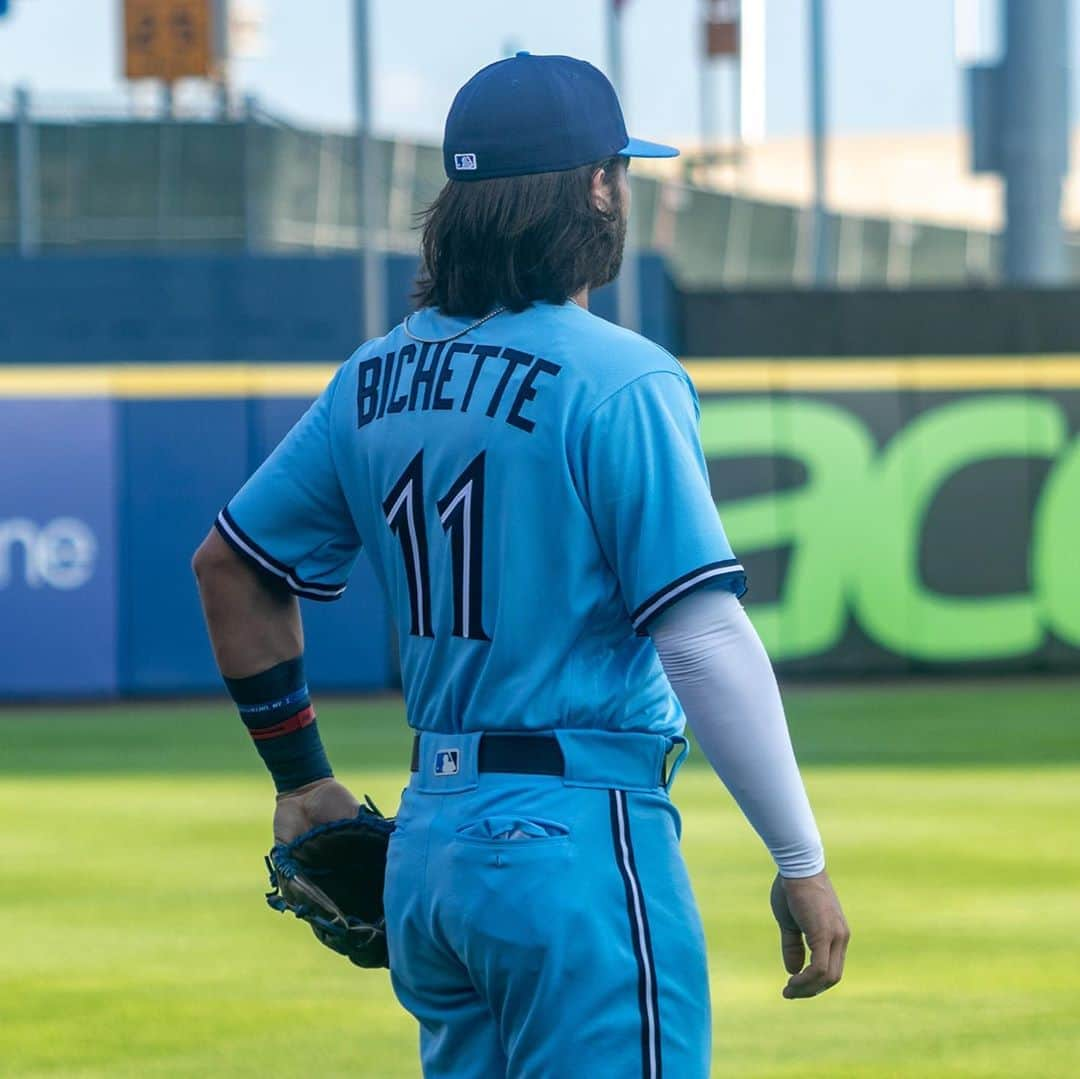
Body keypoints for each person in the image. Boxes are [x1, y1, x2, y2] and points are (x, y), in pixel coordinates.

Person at [193, 52, 848, 1079]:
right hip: (573, 836)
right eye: (618, 171)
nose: (622, 189)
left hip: (433, 850)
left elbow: (230, 567)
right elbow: (701, 635)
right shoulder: (619, 376)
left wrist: (303, 780)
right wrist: (800, 859)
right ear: (594, 187)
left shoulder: (372, 379)